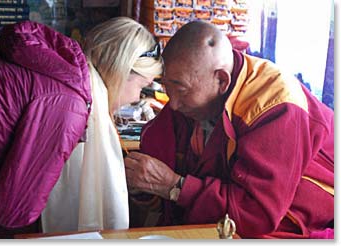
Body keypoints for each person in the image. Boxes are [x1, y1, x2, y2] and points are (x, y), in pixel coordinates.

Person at [124, 21, 334, 239]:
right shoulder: (195, 90)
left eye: (181, 90)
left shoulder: (275, 105)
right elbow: (158, 152)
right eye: (168, 88)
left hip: (288, 215)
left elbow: (254, 216)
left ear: (221, 80)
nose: (173, 104)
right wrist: (142, 185)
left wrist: (175, 186)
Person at [0, 17, 162, 231]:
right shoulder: (70, 102)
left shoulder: (64, 69)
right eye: (143, 86)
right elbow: (9, 211)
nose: (137, 98)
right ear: (121, 72)